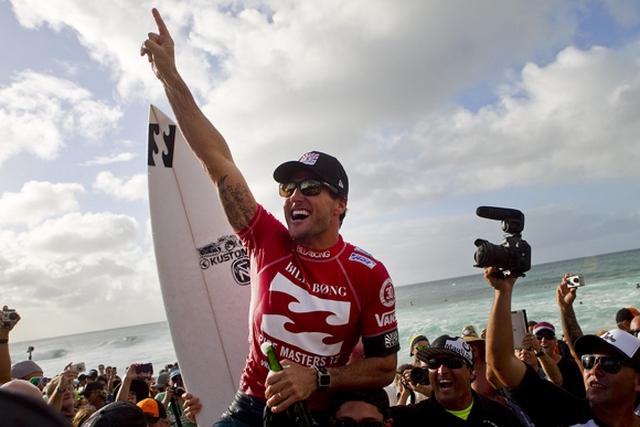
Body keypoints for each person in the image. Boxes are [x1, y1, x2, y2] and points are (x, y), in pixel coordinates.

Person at [141, 8, 399, 426]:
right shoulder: (266, 239)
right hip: (250, 409)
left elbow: (384, 367)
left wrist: (317, 378)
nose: (296, 195)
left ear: (340, 205)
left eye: (311, 188)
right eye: (288, 188)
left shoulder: (368, 273)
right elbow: (216, 159)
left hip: (316, 416)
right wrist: (170, 75)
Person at [485, 266, 640, 427]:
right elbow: (502, 363)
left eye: (610, 365)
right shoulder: (572, 415)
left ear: (638, 380)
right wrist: (503, 291)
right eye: (588, 361)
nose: (594, 370)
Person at [389, 335, 520, 426]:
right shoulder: (408, 419)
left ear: (471, 372)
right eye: (434, 363)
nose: (442, 370)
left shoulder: (499, 415)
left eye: (452, 362)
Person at [531, 321, 585, 397]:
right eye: (539, 337)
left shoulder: (571, 365)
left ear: (555, 341)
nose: (543, 340)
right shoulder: (531, 364)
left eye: (548, 336)